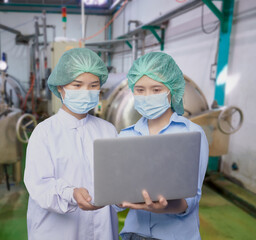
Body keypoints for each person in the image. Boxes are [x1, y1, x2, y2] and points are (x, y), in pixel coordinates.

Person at [24, 48, 119, 240]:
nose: (86, 92)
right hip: (56, 232)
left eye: (93, 86)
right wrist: (71, 194)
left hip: (102, 230)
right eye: (77, 85)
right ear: (60, 87)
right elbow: (40, 186)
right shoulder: (44, 133)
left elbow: (116, 179)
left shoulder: (107, 130)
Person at [114, 52, 209, 240]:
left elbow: (191, 199)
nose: (147, 96)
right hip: (134, 235)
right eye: (140, 90)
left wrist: (166, 206)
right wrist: (115, 199)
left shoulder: (191, 133)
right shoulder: (125, 136)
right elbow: (116, 194)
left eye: (156, 90)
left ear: (171, 90)